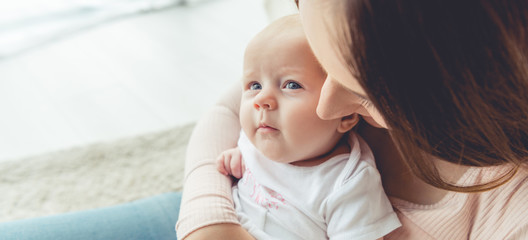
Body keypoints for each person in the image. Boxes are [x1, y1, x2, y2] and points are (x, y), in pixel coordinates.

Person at [177, 0, 528, 239]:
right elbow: (225, 112)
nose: (327, 108)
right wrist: (208, 218)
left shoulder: (511, 212)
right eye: (325, 65)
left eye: (362, 90)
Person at [213, 14, 401, 240]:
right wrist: (237, 155)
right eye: (254, 85)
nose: (261, 99)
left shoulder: (348, 184)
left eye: (291, 85)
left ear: (346, 113)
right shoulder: (263, 134)